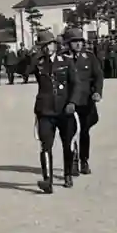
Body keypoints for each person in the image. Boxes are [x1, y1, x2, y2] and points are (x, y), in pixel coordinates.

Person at [30, 29, 80, 193]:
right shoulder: (38, 63)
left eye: (48, 44)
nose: (45, 48)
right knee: (46, 146)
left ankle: (67, 174)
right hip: (45, 110)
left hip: (64, 109)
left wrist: (72, 102)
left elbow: (75, 84)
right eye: (42, 46)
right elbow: (23, 70)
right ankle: (47, 180)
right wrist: (34, 57)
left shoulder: (66, 61)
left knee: (67, 144)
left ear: (54, 45)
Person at [62, 27, 104, 176]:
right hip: (69, 102)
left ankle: (84, 160)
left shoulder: (90, 57)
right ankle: (73, 162)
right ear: (68, 43)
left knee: (84, 132)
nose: (78, 45)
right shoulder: (62, 58)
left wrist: (98, 92)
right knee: (70, 132)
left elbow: (98, 76)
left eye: (80, 41)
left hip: (86, 101)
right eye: (74, 42)